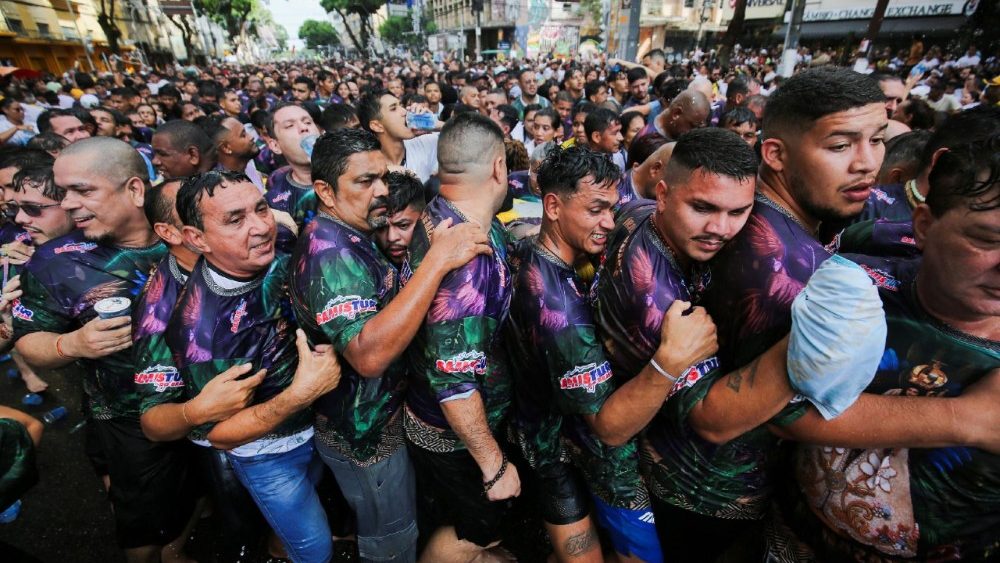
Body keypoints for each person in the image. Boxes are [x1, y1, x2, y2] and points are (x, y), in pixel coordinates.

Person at [768, 132, 1000, 562]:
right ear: (925, 225)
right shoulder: (854, 285)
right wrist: (965, 418)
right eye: (987, 240)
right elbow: (776, 408)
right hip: (788, 541)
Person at [290, 128, 489, 562]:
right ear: (324, 190)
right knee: (391, 539)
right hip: (366, 437)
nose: (381, 191)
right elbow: (369, 355)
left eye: (383, 177)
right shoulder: (331, 254)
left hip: (383, 421)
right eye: (364, 182)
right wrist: (437, 261)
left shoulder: (358, 230)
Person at [12, 138, 195, 563]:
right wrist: (71, 343)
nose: (70, 205)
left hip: (216, 400)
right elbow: (28, 340)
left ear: (134, 189)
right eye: (63, 192)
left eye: (84, 191)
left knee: (203, 491)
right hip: (131, 418)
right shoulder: (56, 261)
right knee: (142, 526)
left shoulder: (190, 226)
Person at [153, 170, 342, 563]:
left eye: (261, 209)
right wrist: (300, 394)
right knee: (315, 551)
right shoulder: (201, 332)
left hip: (319, 426)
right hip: (270, 456)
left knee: (300, 528)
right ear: (196, 238)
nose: (260, 228)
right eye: (235, 220)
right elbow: (221, 436)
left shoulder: (279, 240)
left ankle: (277, 546)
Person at [506, 145, 673, 563]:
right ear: (553, 205)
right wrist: (671, 359)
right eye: (596, 209)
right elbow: (607, 426)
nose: (608, 223)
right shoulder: (559, 310)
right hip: (568, 453)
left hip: (552, 440)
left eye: (612, 209)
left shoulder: (536, 253)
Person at [402, 113, 519, 562]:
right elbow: (455, 385)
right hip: (451, 433)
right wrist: (494, 467)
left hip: (431, 412)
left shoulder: (438, 214)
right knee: (476, 531)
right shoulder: (468, 262)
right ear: (497, 168)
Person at [358, 91, 439, 183]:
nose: (404, 111)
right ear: (377, 126)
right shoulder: (367, 169)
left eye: (401, 105)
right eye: (393, 108)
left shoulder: (424, 143)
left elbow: (458, 136)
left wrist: (433, 122)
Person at [201, 115, 264, 191]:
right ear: (226, 148)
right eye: (243, 135)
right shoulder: (221, 188)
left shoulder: (248, 168)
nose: (251, 137)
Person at [151, 120, 216, 179]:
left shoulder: (222, 186)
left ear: (193, 155)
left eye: (162, 154)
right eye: (154, 154)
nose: (154, 161)